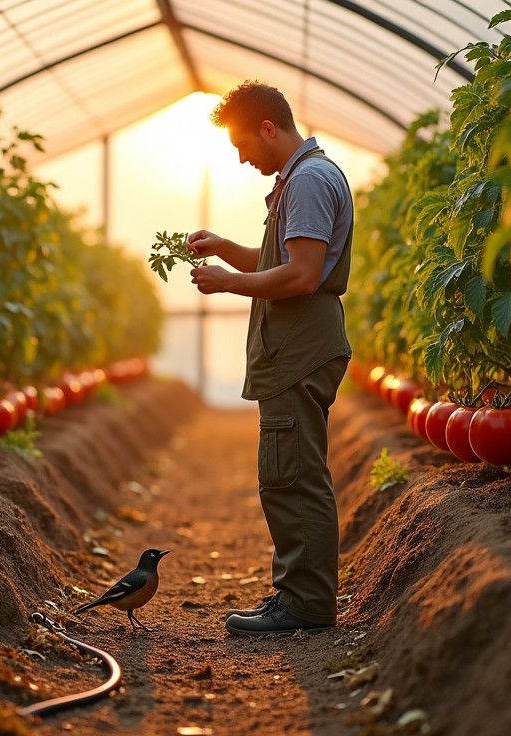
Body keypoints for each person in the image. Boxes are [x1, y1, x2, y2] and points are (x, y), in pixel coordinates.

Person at [187, 82, 353, 636]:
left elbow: (302, 274)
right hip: (299, 345)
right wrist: (223, 248)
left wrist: (230, 283)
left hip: (299, 349)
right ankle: (301, 592)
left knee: (293, 476)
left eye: (242, 145)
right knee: (292, 471)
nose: (240, 158)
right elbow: (279, 261)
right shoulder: (303, 177)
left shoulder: (307, 181)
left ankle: (305, 603)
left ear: (268, 129)